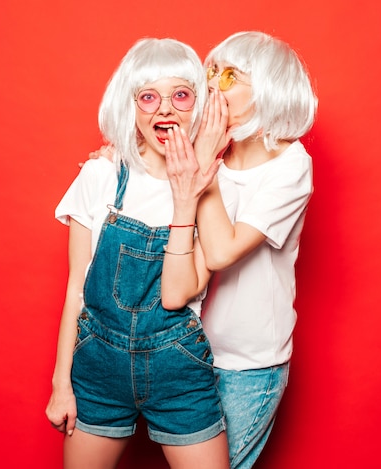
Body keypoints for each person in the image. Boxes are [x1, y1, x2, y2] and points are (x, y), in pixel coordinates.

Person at [91, 31, 317, 468]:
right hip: (186, 350)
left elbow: (220, 251)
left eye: (230, 75)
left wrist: (202, 167)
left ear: (269, 88)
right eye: (211, 70)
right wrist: (117, 159)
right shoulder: (216, 153)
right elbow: (158, 186)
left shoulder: (291, 165)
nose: (213, 83)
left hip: (249, 364)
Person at [45, 37, 228, 469]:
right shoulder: (101, 175)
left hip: (179, 370)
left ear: (198, 104)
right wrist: (60, 385)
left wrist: (194, 186)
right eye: (149, 97)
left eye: (180, 95)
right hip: (97, 371)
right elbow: (77, 289)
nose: (164, 109)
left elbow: (181, 290)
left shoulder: (214, 186)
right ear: (131, 106)